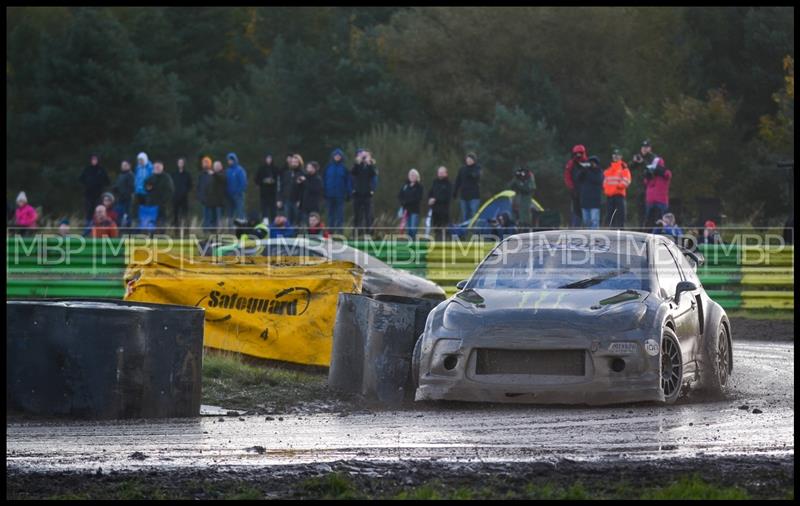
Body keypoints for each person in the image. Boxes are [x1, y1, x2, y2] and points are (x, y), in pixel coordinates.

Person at [631, 139, 671, 229]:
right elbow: (632, 169)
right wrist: (636, 162)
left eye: (647, 147)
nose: (645, 149)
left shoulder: (655, 160)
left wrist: (643, 163)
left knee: (657, 220)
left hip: (656, 196)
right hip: (645, 194)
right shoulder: (639, 158)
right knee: (644, 216)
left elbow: (659, 171)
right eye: (643, 147)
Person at [350, 149, 378, 235]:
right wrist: (357, 162)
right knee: (357, 214)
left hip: (367, 194)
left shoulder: (371, 166)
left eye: (366, 156)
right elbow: (353, 172)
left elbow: (373, 174)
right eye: (363, 156)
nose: (364, 157)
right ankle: (356, 232)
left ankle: (369, 232)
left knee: (368, 215)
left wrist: (369, 164)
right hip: (357, 194)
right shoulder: (358, 165)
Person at [323, 148, 351, 231]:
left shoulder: (344, 168)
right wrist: (323, 192)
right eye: (336, 155)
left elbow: (348, 182)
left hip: (340, 195)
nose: (337, 157)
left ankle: (339, 231)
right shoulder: (328, 167)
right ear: (333, 156)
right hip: (329, 194)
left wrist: (348, 193)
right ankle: (330, 231)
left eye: (339, 156)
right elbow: (324, 180)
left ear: (342, 157)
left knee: (340, 215)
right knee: (330, 214)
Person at [603, 148, 631, 228]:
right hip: (609, 196)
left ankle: (621, 232)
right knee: (609, 216)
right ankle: (610, 232)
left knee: (620, 216)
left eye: (617, 155)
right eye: (614, 155)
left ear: (621, 156)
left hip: (619, 195)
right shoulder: (609, 168)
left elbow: (626, 180)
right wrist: (607, 190)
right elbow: (605, 181)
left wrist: (618, 187)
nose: (616, 156)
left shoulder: (623, 167)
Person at [79, 154, 110, 224]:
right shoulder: (87, 169)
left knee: (98, 211)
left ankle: (97, 226)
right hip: (88, 194)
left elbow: (107, 181)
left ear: (98, 160)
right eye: (92, 159)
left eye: (95, 159)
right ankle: (87, 227)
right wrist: (86, 185)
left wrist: (101, 185)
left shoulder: (101, 169)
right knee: (88, 211)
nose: (94, 161)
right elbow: (81, 179)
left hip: (98, 195)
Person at [564, 145, 590, 227]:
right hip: (575, 190)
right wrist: (571, 188)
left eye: (580, 153)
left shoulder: (587, 163)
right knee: (576, 210)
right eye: (577, 153)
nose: (578, 155)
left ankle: (586, 226)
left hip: (586, 190)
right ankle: (576, 227)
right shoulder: (571, 163)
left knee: (586, 210)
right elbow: (567, 176)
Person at [575, 155, 604, 229]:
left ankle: (595, 237)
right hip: (585, 201)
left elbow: (597, 180)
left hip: (595, 202)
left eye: (593, 163)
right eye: (590, 162)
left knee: (594, 221)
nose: (591, 164)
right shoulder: (585, 172)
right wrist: (583, 169)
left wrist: (589, 170)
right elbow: (578, 178)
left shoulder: (599, 172)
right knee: (586, 221)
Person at [144, 161, 175, 229]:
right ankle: (151, 235)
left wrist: (165, 200)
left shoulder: (166, 177)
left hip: (162, 204)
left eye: (158, 167)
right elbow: (146, 187)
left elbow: (170, 190)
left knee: (161, 222)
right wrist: (148, 188)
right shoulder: (150, 178)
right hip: (152, 204)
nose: (157, 168)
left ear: (162, 167)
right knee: (151, 221)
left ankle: (161, 235)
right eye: (155, 167)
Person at [453, 152, 481, 222]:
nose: (468, 160)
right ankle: (465, 232)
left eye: (470, 159)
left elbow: (476, 176)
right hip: (464, 196)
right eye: (467, 159)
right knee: (464, 215)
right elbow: (458, 181)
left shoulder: (477, 168)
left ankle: (473, 231)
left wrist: (471, 172)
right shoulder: (462, 169)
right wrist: (455, 192)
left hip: (474, 197)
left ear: (474, 160)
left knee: (473, 215)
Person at [398, 168, 424, 239]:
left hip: (414, 210)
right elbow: (400, 196)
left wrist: (407, 201)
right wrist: (403, 202)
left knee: (413, 229)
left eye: (413, 175)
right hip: (406, 211)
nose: (412, 176)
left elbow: (418, 198)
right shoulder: (405, 186)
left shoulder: (419, 187)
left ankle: (414, 243)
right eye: (410, 175)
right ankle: (410, 244)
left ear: (417, 176)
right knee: (408, 229)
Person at [428, 166, 453, 240]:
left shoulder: (448, 184)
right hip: (435, 210)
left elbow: (447, 198)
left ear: (446, 173)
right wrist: (430, 199)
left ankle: (444, 243)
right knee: (436, 229)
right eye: (439, 173)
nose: (440, 174)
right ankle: (437, 243)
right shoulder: (435, 182)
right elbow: (430, 192)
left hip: (444, 211)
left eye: (442, 173)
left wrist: (435, 199)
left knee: (444, 229)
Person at [255, 153, 281, 223]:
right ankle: (265, 224)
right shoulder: (261, 168)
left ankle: (274, 223)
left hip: (273, 193)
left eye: (270, 158)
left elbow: (279, 180)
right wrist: (263, 181)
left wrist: (273, 181)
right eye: (267, 158)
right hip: (264, 193)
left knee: (273, 210)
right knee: (264, 210)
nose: (268, 160)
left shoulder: (275, 168)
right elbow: (257, 180)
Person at [225, 152, 247, 225]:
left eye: (231, 160)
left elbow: (243, 183)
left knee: (240, 212)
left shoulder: (240, 170)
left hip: (238, 195)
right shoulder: (227, 171)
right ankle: (230, 228)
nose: (230, 161)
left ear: (235, 160)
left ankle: (241, 227)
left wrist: (238, 192)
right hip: (229, 196)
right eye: (228, 160)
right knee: (230, 213)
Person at [111, 160, 134, 228]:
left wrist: (125, 194)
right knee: (118, 214)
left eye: (125, 165)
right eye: (122, 165)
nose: (123, 167)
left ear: (129, 166)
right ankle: (117, 228)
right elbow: (118, 185)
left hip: (127, 199)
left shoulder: (130, 175)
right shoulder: (121, 175)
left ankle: (127, 229)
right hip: (119, 198)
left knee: (127, 215)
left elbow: (131, 187)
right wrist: (114, 188)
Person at [172, 157, 193, 228]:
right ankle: (176, 232)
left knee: (185, 216)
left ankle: (186, 232)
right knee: (176, 216)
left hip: (184, 198)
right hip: (175, 198)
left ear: (184, 164)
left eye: (182, 162)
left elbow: (190, 186)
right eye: (179, 162)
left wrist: (185, 192)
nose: (180, 164)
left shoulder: (187, 174)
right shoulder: (174, 174)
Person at [207, 160, 228, 231]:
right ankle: (212, 232)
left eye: (218, 166)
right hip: (212, 201)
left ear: (221, 167)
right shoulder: (212, 176)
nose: (216, 167)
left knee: (220, 218)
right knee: (213, 218)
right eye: (215, 166)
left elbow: (221, 178)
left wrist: (214, 174)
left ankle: (221, 231)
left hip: (220, 201)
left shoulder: (223, 174)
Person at [133, 152, 154, 222]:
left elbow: (152, 179)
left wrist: (150, 188)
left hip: (147, 192)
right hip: (138, 191)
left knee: (147, 209)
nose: (140, 161)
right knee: (139, 209)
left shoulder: (150, 167)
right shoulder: (138, 167)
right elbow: (136, 178)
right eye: (139, 160)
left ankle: (147, 223)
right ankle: (140, 223)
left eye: (141, 160)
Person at [197, 156, 214, 229]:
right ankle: (205, 230)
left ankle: (210, 229)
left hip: (211, 199)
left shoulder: (212, 174)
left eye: (207, 163)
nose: (205, 164)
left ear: (210, 164)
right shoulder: (201, 175)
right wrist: (200, 196)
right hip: (203, 199)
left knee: (211, 215)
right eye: (204, 163)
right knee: (205, 215)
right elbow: (199, 186)